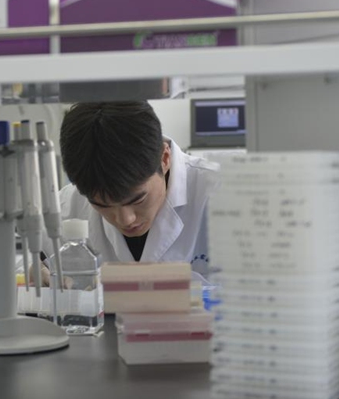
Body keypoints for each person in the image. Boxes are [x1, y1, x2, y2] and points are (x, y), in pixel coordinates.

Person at [47, 101, 220, 277]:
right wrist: (35, 274)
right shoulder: (67, 205)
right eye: (102, 205)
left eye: (138, 200)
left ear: (165, 159)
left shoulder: (219, 192)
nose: (126, 220)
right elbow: (30, 269)